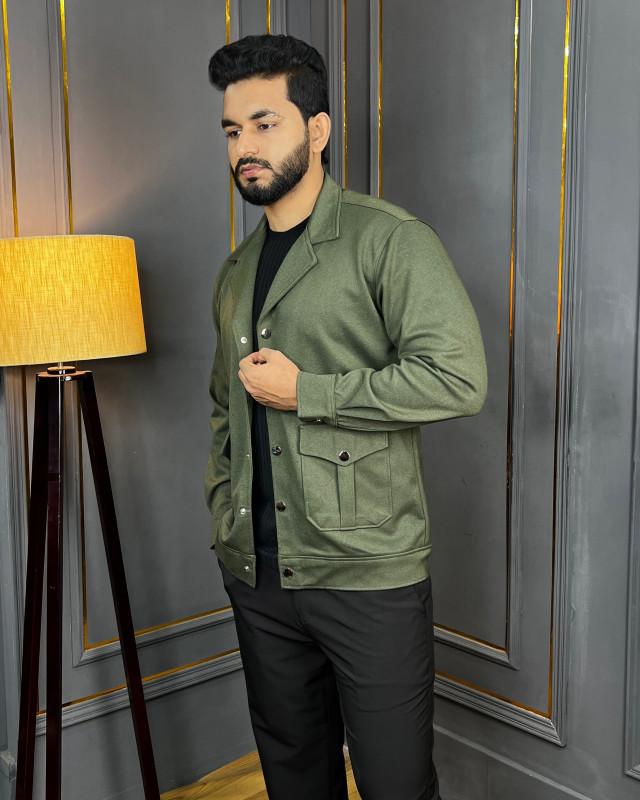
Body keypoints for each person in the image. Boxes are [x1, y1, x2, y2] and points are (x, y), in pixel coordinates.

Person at [205, 33, 487, 800]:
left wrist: (312, 393)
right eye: (232, 130)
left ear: (318, 129)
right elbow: (224, 409)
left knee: (397, 784)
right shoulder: (234, 272)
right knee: (294, 776)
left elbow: (458, 380)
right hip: (257, 574)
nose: (244, 147)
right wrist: (225, 517)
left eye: (265, 123)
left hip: (369, 576)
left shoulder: (389, 240)